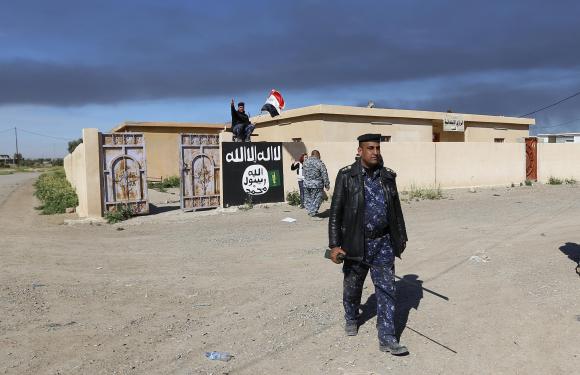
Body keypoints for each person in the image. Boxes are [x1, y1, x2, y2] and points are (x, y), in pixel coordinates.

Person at [327, 133, 409, 356]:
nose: (375, 152)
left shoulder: (387, 176)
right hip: (356, 242)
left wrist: (400, 236)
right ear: (360, 151)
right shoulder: (347, 176)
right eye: (370, 148)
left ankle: (388, 338)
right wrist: (335, 245)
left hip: (383, 242)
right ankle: (351, 316)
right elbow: (335, 212)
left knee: (387, 289)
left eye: (378, 148)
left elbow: (396, 209)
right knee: (353, 286)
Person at [302, 150, 330, 217]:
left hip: (306, 184)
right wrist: (327, 184)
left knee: (308, 198)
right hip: (317, 184)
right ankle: (313, 212)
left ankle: (310, 211)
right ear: (318, 155)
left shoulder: (305, 162)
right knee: (318, 198)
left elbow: (303, 173)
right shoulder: (319, 163)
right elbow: (324, 174)